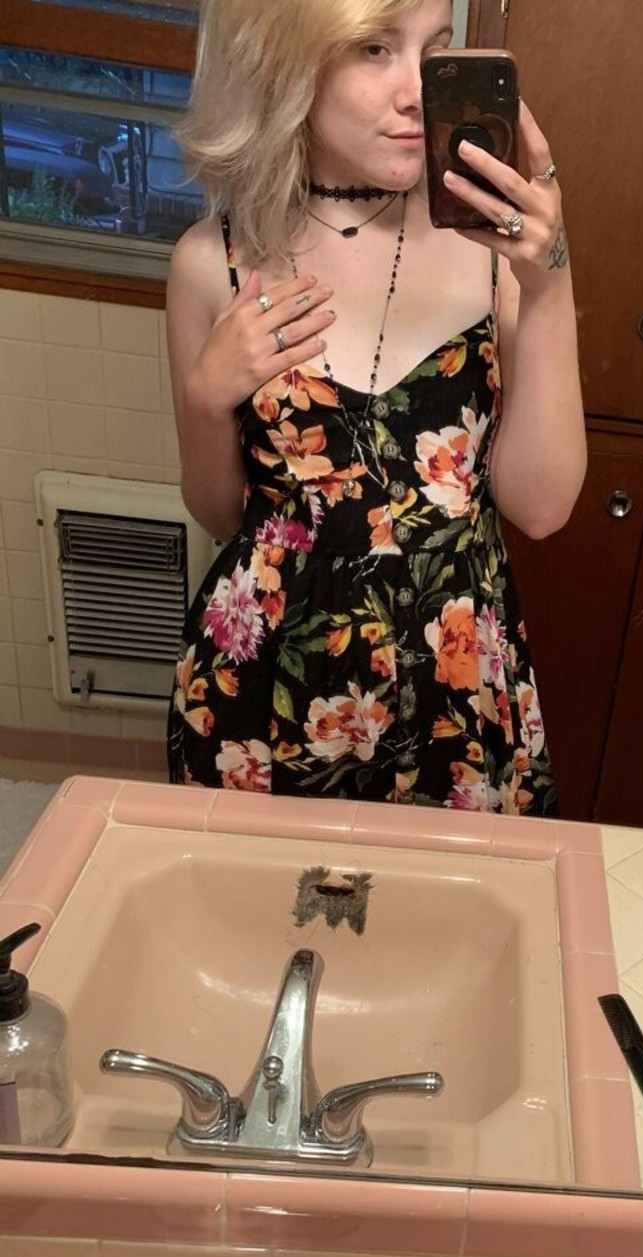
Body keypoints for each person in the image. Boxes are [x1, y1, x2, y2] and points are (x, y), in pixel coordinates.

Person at [165, 0, 586, 812]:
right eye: (374, 49)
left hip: (454, 686)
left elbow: (541, 507)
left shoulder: (495, 252)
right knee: (261, 891)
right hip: (266, 683)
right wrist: (206, 398)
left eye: (434, 49)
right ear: (284, 62)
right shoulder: (210, 264)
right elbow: (221, 515)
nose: (418, 90)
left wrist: (550, 286)